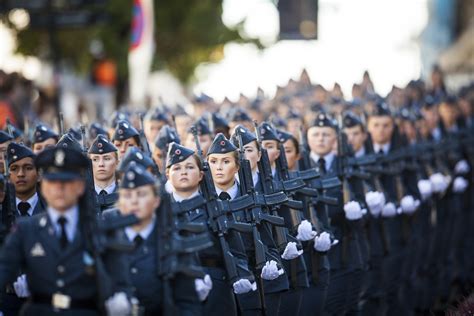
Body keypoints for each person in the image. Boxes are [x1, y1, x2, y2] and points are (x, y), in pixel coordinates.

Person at [0, 146, 132, 315]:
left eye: (67, 182)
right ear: (44, 187)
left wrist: (121, 300)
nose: (59, 188)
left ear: (80, 186)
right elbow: (4, 270)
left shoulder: (100, 230)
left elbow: (121, 280)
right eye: (53, 182)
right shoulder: (26, 230)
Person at [167, 141, 256, 315]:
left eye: (189, 167)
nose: (183, 172)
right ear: (167, 174)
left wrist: (242, 275)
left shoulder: (218, 207)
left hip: (217, 288)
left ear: (201, 175)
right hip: (174, 287)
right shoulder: (159, 211)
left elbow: (237, 252)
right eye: (177, 168)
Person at [118, 161, 206, 315]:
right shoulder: (106, 243)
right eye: (127, 195)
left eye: (141, 194)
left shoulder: (175, 244)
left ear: (156, 201)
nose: (134, 201)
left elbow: (188, 305)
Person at [88, 135, 119, 212]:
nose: (101, 164)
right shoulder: (83, 195)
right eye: (95, 159)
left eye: (107, 158)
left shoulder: (125, 194)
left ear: (117, 163)